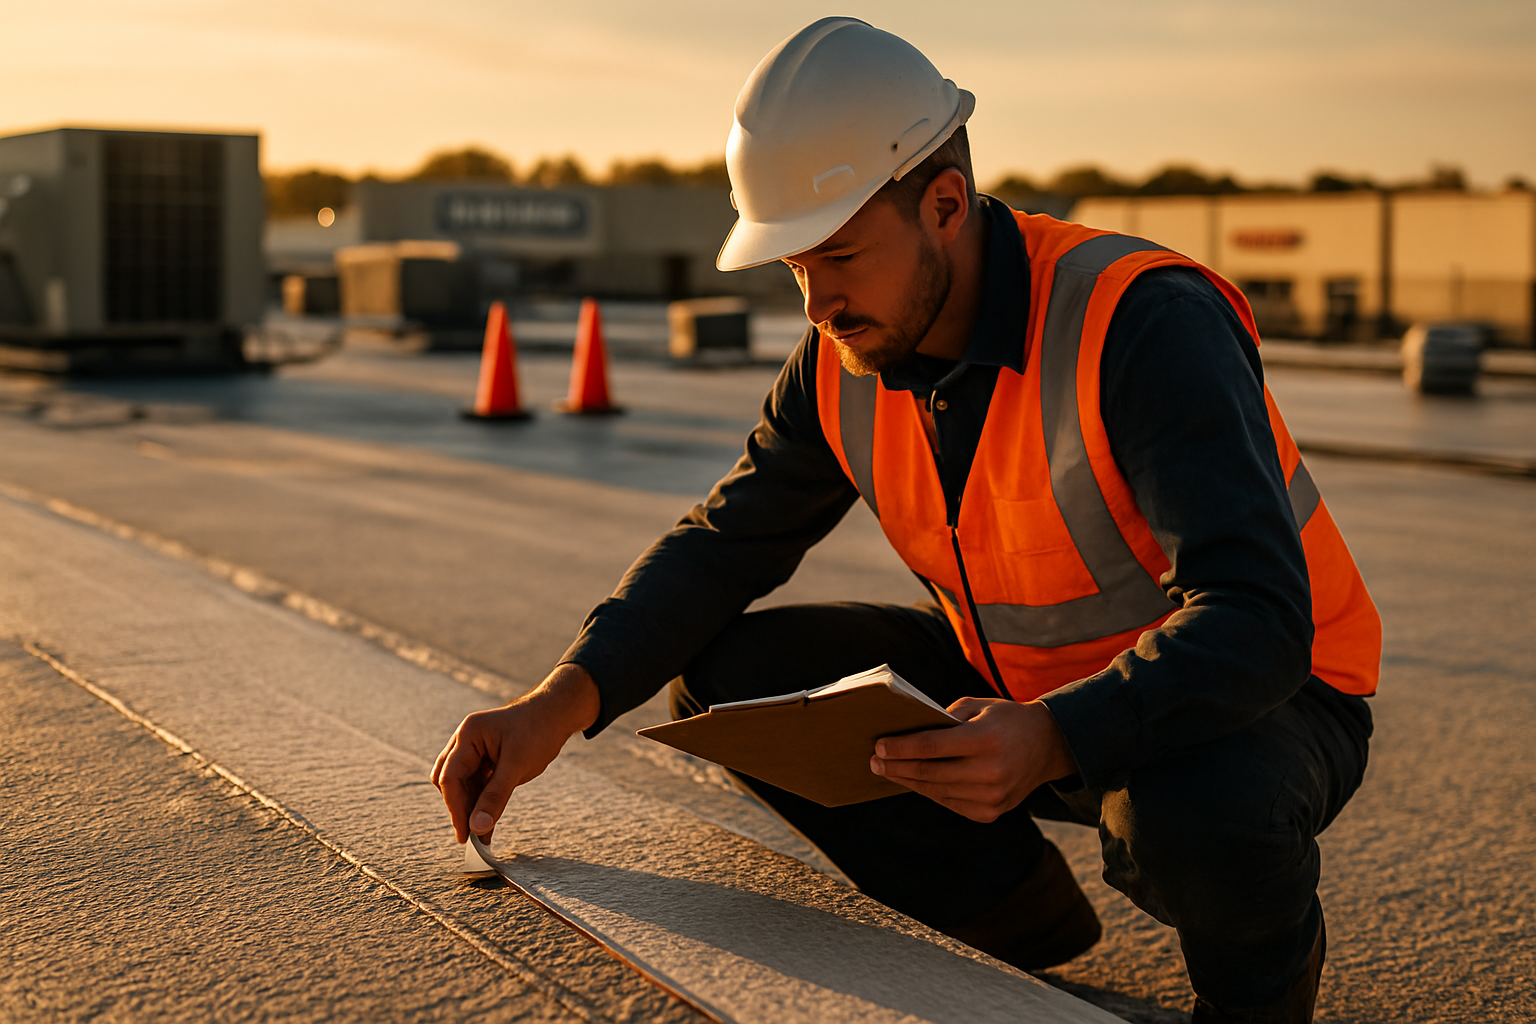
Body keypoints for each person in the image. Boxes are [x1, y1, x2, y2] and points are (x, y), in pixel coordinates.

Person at [433, 17, 1380, 1023]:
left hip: (1259, 697)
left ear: (944, 204)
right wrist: (556, 704)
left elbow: (1258, 617)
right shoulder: (845, 358)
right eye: (792, 266)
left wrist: (1058, 736)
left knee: (1194, 815)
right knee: (726, 679)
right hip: (1016, 693)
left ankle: (1261, 998)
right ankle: (1017, 920)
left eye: (837, 255)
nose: (816, 304)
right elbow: (723, 545)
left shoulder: (1140, 321)